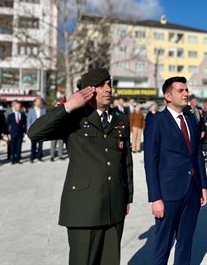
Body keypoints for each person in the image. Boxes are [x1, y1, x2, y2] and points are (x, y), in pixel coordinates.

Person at [28, 67, 133, 265]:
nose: (108, 89)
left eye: (109, 84)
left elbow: (126, 161)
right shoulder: (73, 117)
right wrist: (68, 106)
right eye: (102, 85)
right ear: (88, 90)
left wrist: (127, 197)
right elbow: (34, 133)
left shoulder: (120, 119)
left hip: (114, 206)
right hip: (84, 209)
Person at [144, 76, 207, 265]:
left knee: (186, 243)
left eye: (186, 90)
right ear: (168, 96)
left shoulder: (190, 119)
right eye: (180, 90)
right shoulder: (157, 121)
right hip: (168, 194)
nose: (186, 93)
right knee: (162, 246)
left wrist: (202, 185)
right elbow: (150, 162)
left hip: (192, 191)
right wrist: (155, 198)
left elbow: (197, 153)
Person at [6, 101, 27, 165]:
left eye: (19, 106)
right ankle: (13, 160)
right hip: (12, 133)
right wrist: (8, 133)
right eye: (17, 106)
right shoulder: (10, 115)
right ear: (14, 107)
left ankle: (18, 159)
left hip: (20, 133)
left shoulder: (22, 115)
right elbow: (7, 125)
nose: (18, 107)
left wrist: (25, 132)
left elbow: (24, 124)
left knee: (19, 147)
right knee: (12, 147)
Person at [27, 98, 46, 163]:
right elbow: (28, 121)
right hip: (33, 130)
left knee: (40, 145)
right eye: (38, 101)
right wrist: (28, 130)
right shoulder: (31, 111)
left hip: (41, 130)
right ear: (34, 103)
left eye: (40, 101)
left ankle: (40, 157)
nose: (39, 103)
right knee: (33, 145)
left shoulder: (43, 110)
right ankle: (32, 157)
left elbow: (45, 121)